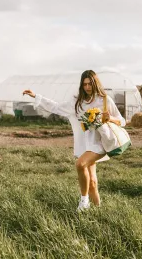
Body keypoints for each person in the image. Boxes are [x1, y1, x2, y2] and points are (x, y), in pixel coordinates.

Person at [23, 70, 126, 212]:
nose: (88, 87)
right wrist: (36, 96)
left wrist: (110, 118)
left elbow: (122, 121)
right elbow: (56, 107)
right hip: (85, 143)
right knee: (92, 183)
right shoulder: (77, 102)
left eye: (90, 84)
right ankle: (98, 212)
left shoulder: (105, 100)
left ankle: (84, 202)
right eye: (85, 85)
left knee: (80, 164)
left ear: (96, 83)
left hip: (100, 142)